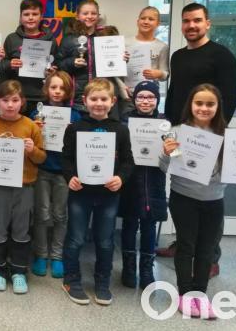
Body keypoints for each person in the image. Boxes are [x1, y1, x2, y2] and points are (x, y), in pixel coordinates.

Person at [158, 2, 236, 274]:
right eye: (186, 21)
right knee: (182, 187)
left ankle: (211, 255)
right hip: (181, 129)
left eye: (197, 20)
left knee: (210, 192)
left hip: (210, 133)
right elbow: (175, 91)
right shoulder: (178, 56)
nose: (191, 26)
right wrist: (170, 122)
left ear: (208, 23)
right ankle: (183, 243)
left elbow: (229, 97)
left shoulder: (222, 55)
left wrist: (214, 131)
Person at [61, 78, 134, 306]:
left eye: (104, 99)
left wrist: (120, 178)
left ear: (112, 101)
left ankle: (102, 282)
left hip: (108, 194)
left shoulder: (121, 130)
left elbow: (128, 161)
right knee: (75, 238)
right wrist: (69, 177)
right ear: (85, 101)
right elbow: (66, 158)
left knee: (105, 241)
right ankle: (71, 279)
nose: (99, 103)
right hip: (80, 193)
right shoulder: (74, 128)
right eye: (94, 99)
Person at [160, 83, 228, 319]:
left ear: (218, 107)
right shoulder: (177, 131)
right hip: (183, 198)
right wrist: (166, 153)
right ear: (191, 105)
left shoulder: (226, 135)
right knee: (186, 246)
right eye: (199, 103)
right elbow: (162, 166)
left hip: (214, 199)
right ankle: (185, 294)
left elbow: (231, 172)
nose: (204, 108)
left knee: (206, 248)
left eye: (210, 104)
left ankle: (200, 294)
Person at [0, 80, 46, 294]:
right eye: (5, 100)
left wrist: (33, 150)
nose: (10, 105)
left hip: (24, 187)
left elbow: (42, 158)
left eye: (15, 100)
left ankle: (19, 272)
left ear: (22, 102)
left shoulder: (31, 126)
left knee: (21, 230)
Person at [30, 71, 80, 279]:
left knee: (60, 215)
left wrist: (72, 132)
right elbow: (30, 142)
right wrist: (35, 129)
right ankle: (41, 254)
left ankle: (57, 256)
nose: (57, 91)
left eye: (62, 88)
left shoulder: (75, 116)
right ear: (46, 89)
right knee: (42, 214)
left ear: (68, 91)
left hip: (64, 173)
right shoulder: (36, 113)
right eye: (53, 87)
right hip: (42, 170)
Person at [118, 80, 168, 289]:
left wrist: (169, 150)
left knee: (149, 226)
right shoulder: (124, 122)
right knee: (129, 224)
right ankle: (128, 268)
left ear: (157, 100)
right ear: (134, 99)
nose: (145, 101)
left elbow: (174, 156)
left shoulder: (166, 124)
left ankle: (146, 269)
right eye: (141, 97)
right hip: (131, 182)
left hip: (154, 182)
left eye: (150, 97)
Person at [1, 0, 58, 117]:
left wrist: (53, 71)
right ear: (21, 17)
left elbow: (58, 65)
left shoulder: (50, 39)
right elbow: (1, 65)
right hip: (17, 97)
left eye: (35, 14)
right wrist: (9, 64)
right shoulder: (12, 39)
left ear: (41, 16)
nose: (30, 18)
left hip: (43, 96)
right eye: (26, 14)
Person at [121, 7, 170, 115]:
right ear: (138, 21)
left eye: (151, 19)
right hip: (127, 96)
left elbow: (165, 74)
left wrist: (159, 73)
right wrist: (121, 87)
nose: (146, 21)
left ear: (158, 23)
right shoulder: (124, 43)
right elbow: (115, 71)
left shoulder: (162, 46)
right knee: (126, 127)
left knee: (148, 128)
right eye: (143, 18)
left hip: (149, 97)